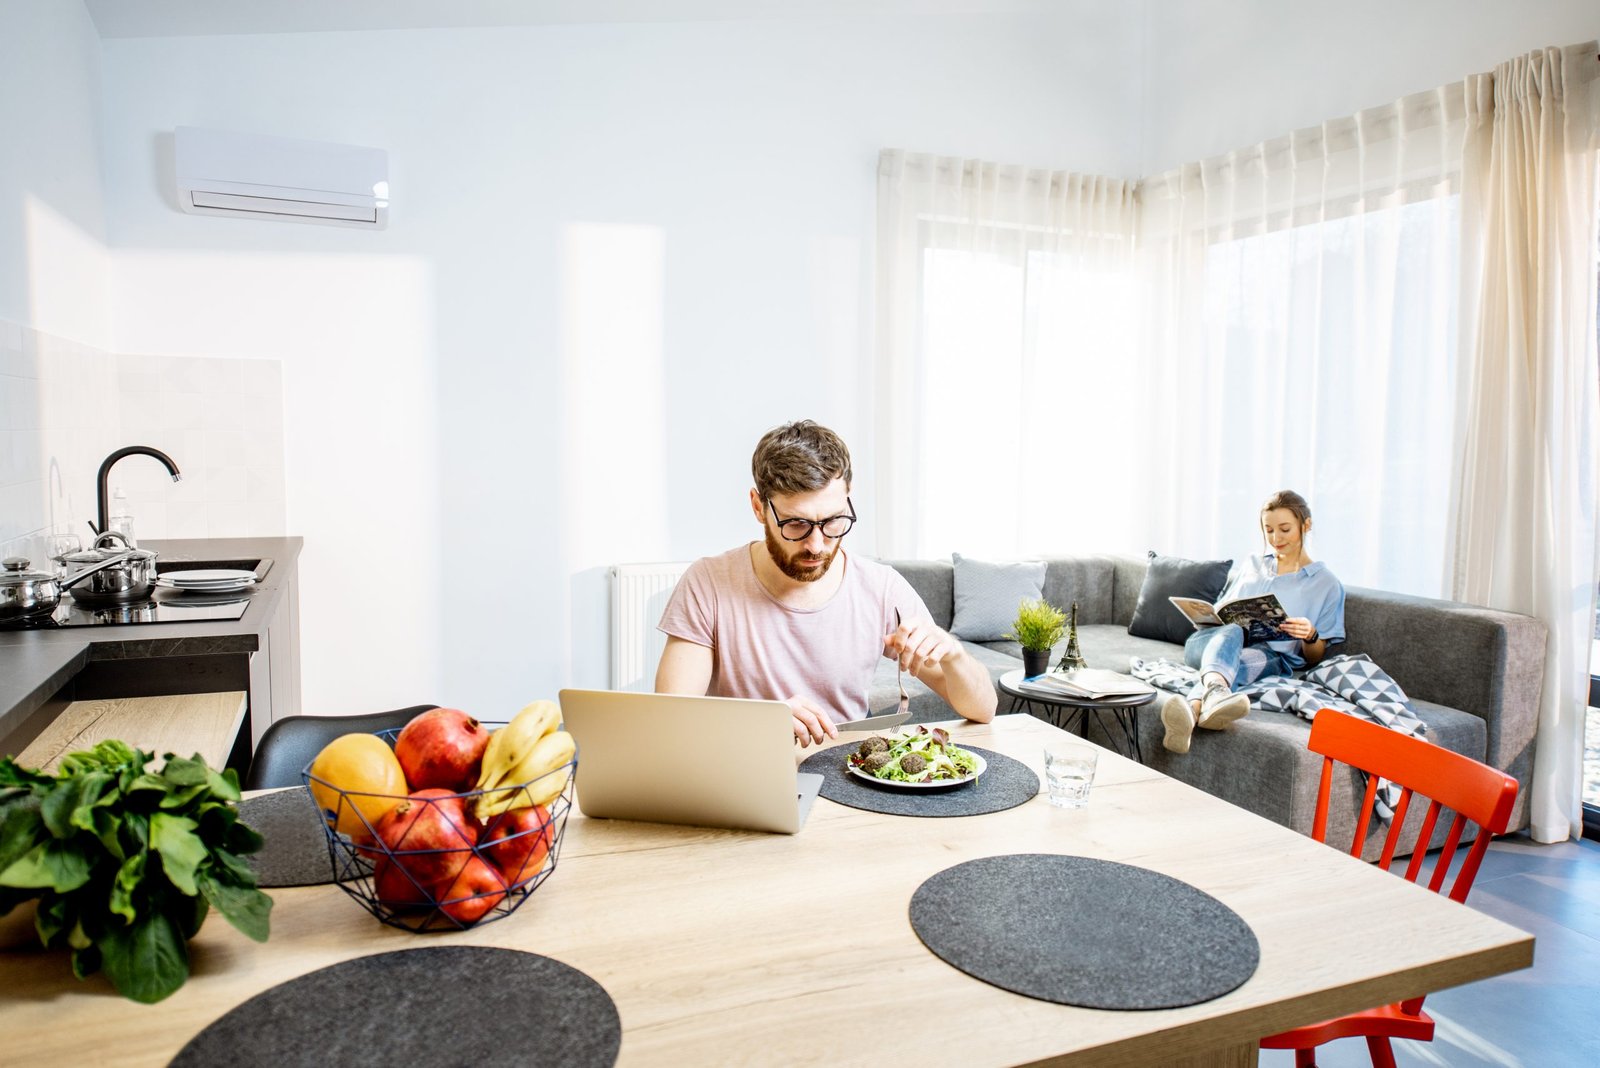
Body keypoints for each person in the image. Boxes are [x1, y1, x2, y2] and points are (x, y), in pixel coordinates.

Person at [656, 420, 997, 746]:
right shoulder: (708, 583)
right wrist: (756, 722)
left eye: (833, 521)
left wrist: (955, 656)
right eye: (796, 524)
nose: (817, 545)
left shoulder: (881, 587)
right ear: (759, 507)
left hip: (850, 773)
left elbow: (983, 709)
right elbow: (669, 722)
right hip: (744, 769)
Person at [1160, 490, 1346, 755]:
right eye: (1268, 530)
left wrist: (1310, 635)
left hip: (1268, 656)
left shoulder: (1326, 584)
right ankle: (1216, 693)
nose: (1275, 539)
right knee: (1233, 629)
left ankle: (1192, 710)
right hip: (1210, 643)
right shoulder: (1253, 564)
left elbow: (1314, 658)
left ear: (1307, 525)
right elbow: (1222, 611)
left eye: (1284, 529)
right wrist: (1207, 617)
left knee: (1236, 666)